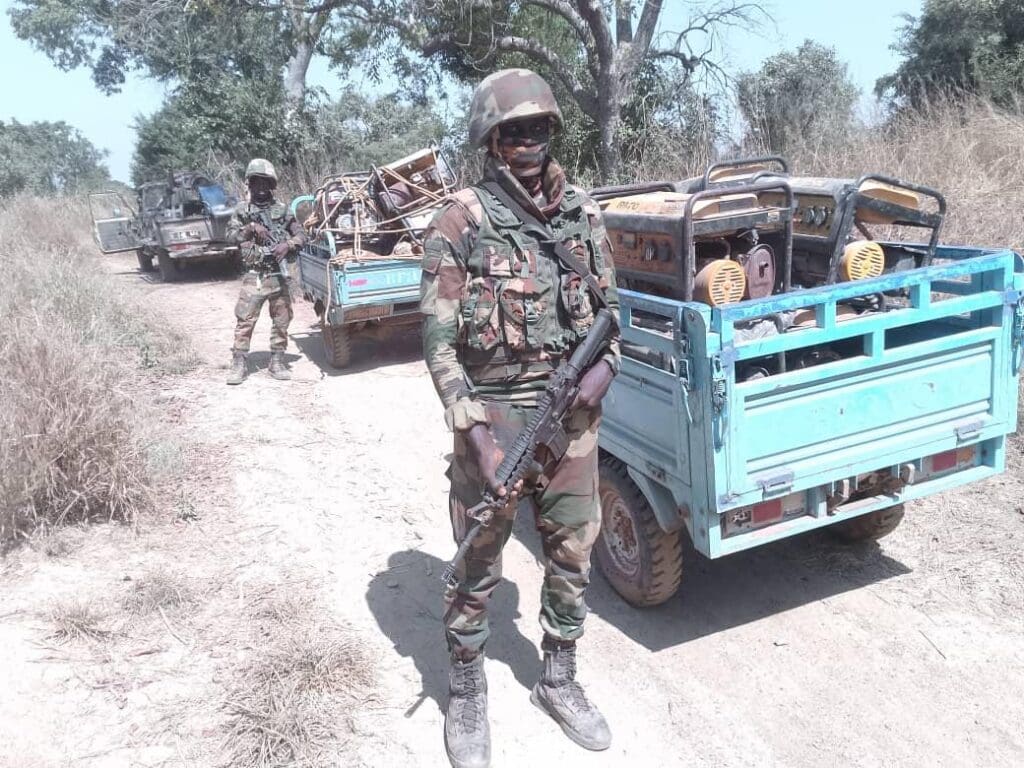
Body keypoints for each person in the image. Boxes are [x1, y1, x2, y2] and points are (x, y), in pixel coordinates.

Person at [419, 68, 620, 768]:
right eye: (513, 131)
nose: (528, 142)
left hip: (573, 422)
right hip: (495, 418)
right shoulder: (460, 220)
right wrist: (473, 431)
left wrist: (600, 376)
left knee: (573, 552)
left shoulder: (583, 214)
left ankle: (558, 678)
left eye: (538, 129)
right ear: (490, 139)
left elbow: (612, 320)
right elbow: (438, 342)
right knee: (477, 558)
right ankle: (466, 689)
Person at [225, 158, 306, 384]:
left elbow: (302, 234)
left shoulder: (283, 210)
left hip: (278, 275)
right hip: (255, 275)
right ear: (249, 184)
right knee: (245, 320)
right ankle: (239, 363)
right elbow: (229, 237)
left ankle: (277, 361)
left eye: (265, 182)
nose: (261, 187)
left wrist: (287, 245)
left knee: (282, 320)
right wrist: (250, 228)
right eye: (256, 182)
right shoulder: (242, 211)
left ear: (271, 185)